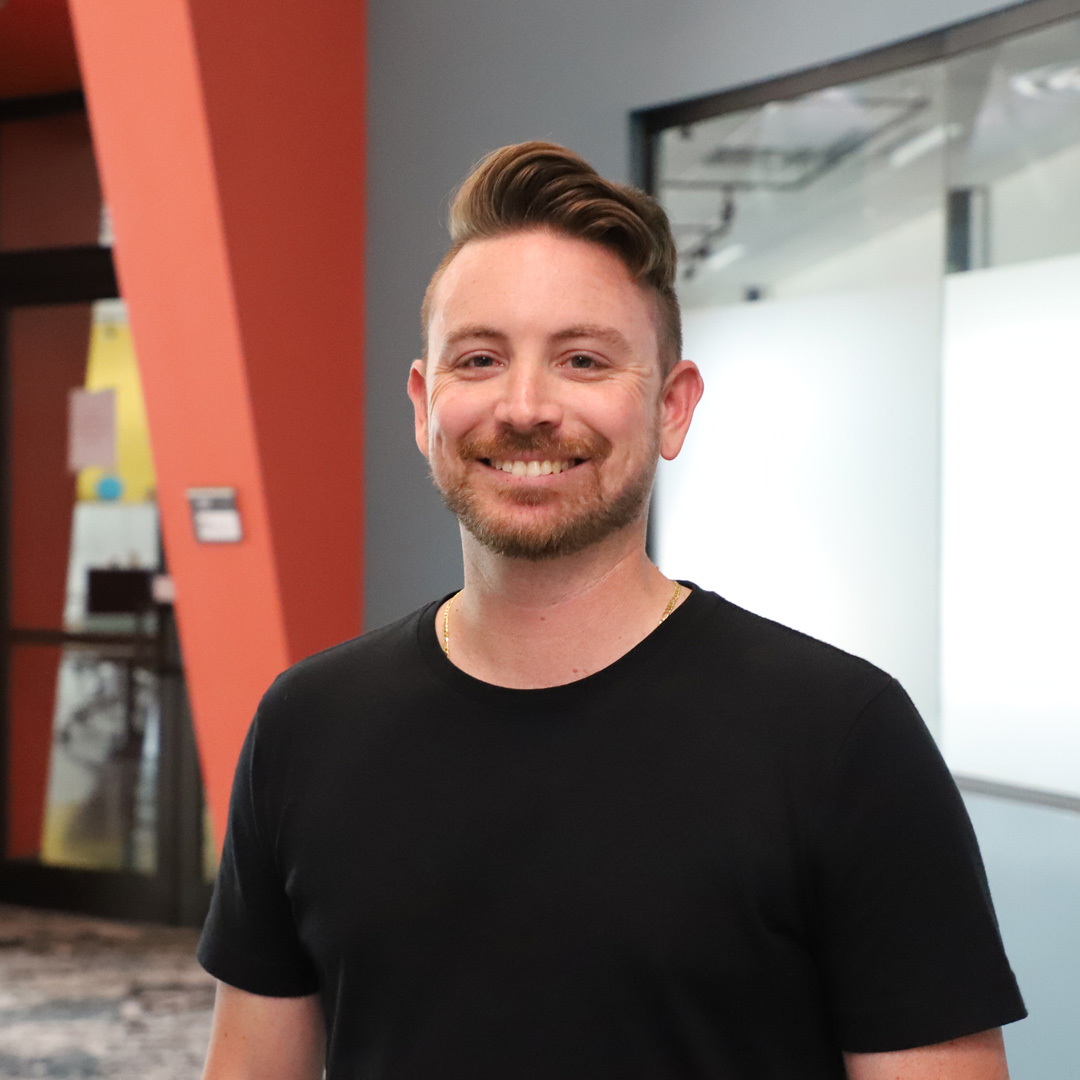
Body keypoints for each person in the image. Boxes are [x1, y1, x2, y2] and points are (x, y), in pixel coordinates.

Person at [198, 141, 1025, 1080]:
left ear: (672, 409)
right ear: (424, 406)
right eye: (479, 358)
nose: (525, 405)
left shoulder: (842, 738)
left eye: (583, 359)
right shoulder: (307, 726)